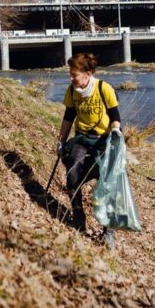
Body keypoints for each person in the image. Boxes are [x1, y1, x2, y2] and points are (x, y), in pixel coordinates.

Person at [57, 53, 121, 248]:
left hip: (103, 140)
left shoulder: (104, 89)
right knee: (72, 174)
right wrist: (61, 142)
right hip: (82, 139)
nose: (71, 77)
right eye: (70, 73)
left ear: (87, 73)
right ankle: (78, 216)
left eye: (74, 74)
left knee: (106, 184)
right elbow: (68, 117)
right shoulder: (72, 90)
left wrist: (116, 132)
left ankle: (108, 230)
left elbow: (115, 116)